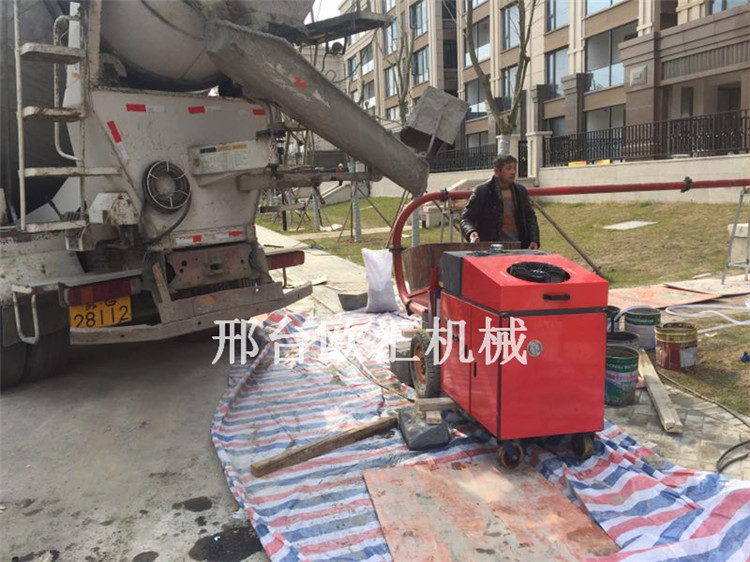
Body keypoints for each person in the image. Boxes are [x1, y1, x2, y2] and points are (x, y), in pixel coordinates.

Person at [460, 154, 540, 249]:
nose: (513, 172)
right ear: (497, 171)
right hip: (491, 248)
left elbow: (530, 217)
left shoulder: (520, 191)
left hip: (519, 246)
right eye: (508, 168)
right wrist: (471, 232)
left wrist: (534, 240)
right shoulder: (483, 191)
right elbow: (466, 218)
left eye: (514, 168)